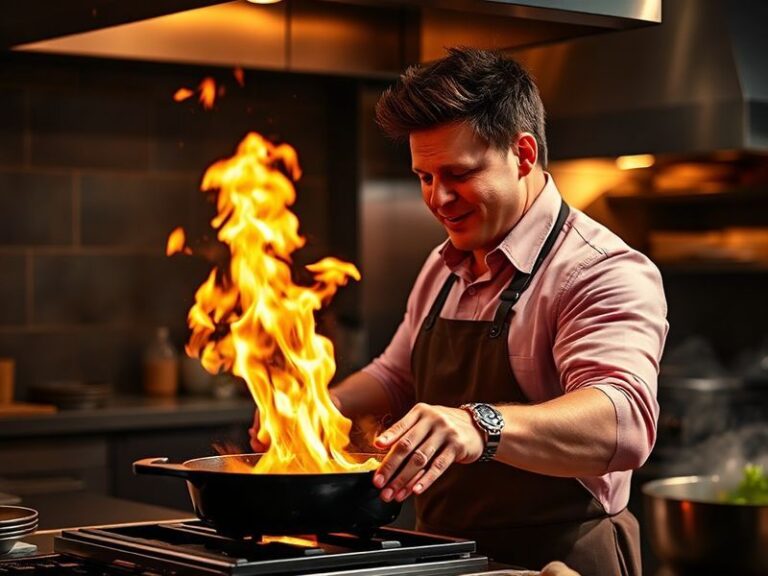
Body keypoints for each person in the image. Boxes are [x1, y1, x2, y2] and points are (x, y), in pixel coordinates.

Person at [251, 47, 667, 576]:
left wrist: (480, 425)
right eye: (424, 177)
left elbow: (623, 422)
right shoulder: (444, 263)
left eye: (458, 174)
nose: (438, 198)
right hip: (444, 558)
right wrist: (309, 412)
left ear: (522, 154)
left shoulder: (599, 270)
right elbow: (396, 376)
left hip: (560, 559)